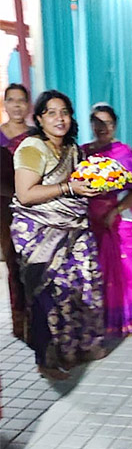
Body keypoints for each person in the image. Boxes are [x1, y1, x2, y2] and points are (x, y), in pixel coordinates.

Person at [11, 90, 105, 380]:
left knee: (75, 295)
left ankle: (73, 351)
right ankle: (46, 361)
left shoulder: (73, 150)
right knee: (46, 299)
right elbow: (26, 195)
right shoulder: (31, 147)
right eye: (51, 112)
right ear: (39, 118)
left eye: (64, 111)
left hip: (73, 233)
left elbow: (78, 186)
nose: (59, 118)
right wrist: (68, 189)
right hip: (40, 235)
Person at [81, 103, 132, 338]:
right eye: (97, 122)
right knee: (101, 272)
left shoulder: (122, 152)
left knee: (128, 268)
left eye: (107, 123)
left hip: (121, 221)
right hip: (94, 222)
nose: (102, 127)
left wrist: (116, 210)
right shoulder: (85, 152)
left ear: (114, 126)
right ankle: (108, 318)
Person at [0, 83, 31, 339]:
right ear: (5, 104)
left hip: (34, 209)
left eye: (22, 100)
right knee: (13, 264)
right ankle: (20, 323)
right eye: (12, 100)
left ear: (29, 105)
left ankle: (39, 321)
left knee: (35, 266)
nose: (17, 105)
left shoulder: (36, 137)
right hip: (4, 211)